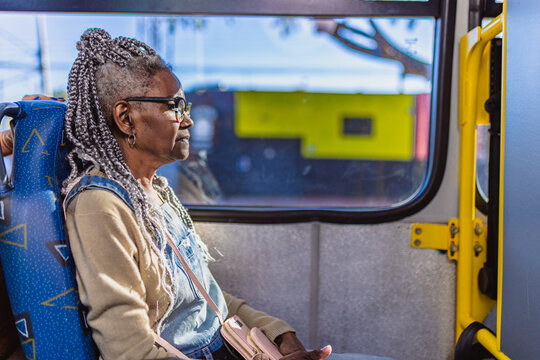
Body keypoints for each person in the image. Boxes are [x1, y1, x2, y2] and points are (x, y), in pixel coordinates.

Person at [55, 28, 333, 360]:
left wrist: (279, 332)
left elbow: (206, 298)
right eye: (175, 106)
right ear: (126, 118)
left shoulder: (156, 192)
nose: (187, 120)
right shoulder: (99, 207)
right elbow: (130, 352)